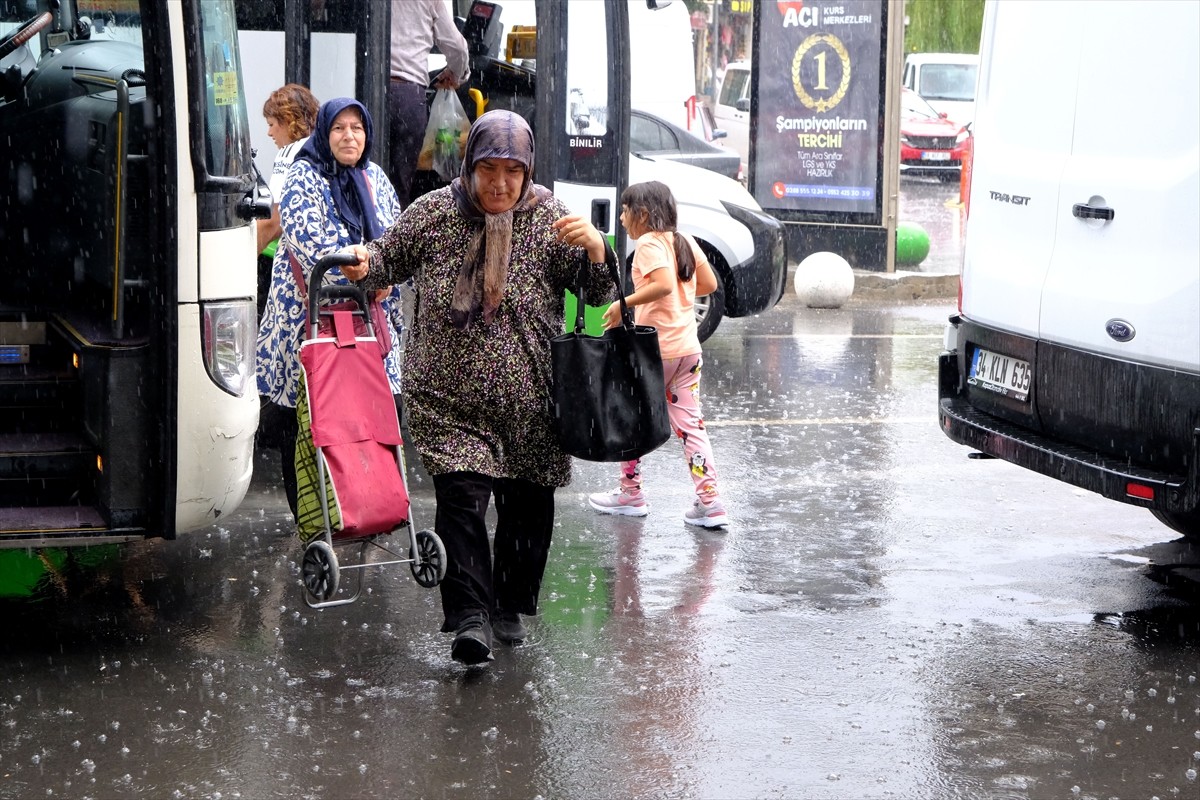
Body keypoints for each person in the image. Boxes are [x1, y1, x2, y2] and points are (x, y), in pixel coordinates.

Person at [341, 109, 616, 666]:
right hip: (448, 397)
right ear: (468, 165)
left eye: (512, 171)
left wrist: (596, 248)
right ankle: (469, 617)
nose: (499, 182)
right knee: (461, 502)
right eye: (488, 168)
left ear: (528, 171)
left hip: (531, 400)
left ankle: (508, 604)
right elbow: (385, 261)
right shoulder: (433, 214)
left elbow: (594, 294)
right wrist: (362, 264)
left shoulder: (549, 219)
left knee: (528, 506)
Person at [255, 97, 407, 521]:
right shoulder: (304, 176)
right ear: (324, 132)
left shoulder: (374, 177)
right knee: (304, 422)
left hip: (367, 324)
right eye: (339, 128)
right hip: (307, 321)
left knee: (368, 420)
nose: (349, 136)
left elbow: (396, 240)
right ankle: (311, 515)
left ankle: (365, 505)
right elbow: (310, 248)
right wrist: (367, 270)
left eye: (357, 128)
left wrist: (384, 269)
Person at [587, 180, 729, 529]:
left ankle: (630, 493)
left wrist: (624, 305)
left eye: (625, 210)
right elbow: (708, 284)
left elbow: (663, 283)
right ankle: (710, 501)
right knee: (691, 426)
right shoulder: (684, 241)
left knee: (630, 417)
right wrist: (683, 293)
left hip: (655, 352)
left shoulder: (649, 243)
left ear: (644, 214)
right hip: (688, 350)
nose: (621, 218)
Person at [387, 0, 470, 207]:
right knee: (399, 186)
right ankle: (395, 233)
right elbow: (457, 48)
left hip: (362, 89)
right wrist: (456, 73)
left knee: (363, 180)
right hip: (406, 97)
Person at [257, 83, 319, 321]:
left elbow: (276, 220)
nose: (269, 133)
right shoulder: (323, 148)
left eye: (272, 124)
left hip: (293, 269)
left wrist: (241, 259)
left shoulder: (290, 153)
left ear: (289, 121)